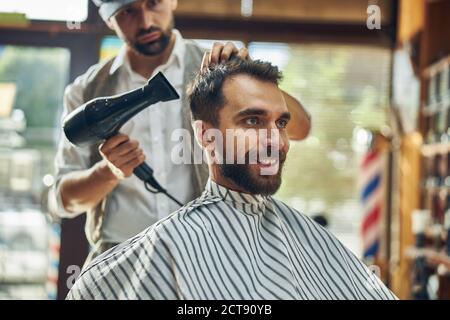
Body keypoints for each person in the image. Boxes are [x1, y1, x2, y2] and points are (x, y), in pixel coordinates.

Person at [66, 58, 397, 300]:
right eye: (252, 121)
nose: (276, 141)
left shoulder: (304, 235)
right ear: (205, 136)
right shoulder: (165, 246)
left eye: (280, 123)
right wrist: (109, 172)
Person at [49, 0, 311, 263]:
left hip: (209, 254)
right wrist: (108, 172)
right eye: (128, 12)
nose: (146, 22)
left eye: (153, 3)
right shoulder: (85, 92)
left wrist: (250, 80)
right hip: (119, 260)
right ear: (108, 19)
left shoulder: (218, 71)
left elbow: (300, 127)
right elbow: (63, 201)